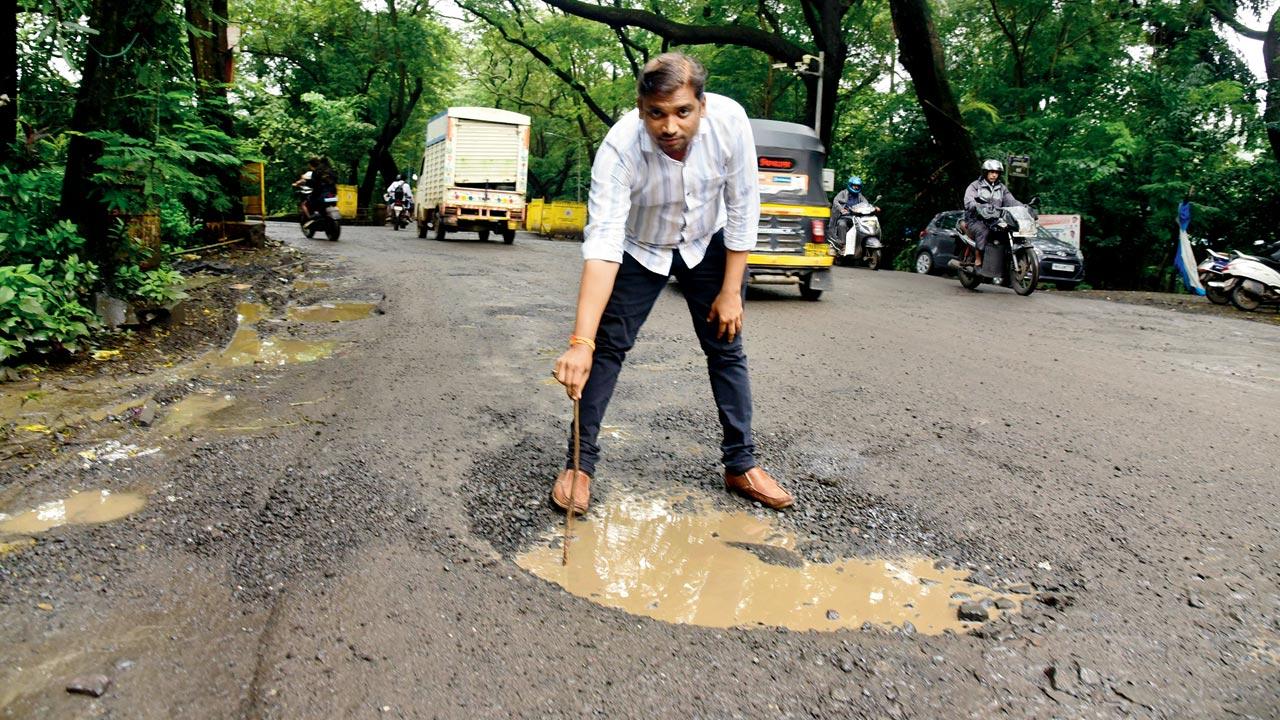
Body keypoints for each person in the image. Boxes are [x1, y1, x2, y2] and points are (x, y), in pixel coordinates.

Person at [550, 52, 794, 514]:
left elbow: (744, 204)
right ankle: (579, 466)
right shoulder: (620, 147)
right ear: (641, 109)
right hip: (641, 247)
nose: (669, 127)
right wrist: (580, 340)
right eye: (656, 114)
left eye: (682, 111)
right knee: (605, 349)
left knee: (727, 346)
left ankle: (741, 464)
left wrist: (729, 291)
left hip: (709, 241)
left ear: (701, 104)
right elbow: (602, 242)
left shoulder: (730, 122)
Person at [963, 159, 1020, 272]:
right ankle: (978, 261)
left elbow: (1011, 201)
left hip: (994, 219)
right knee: (983, 230)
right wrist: (977, 205)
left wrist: (1024, 207)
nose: (994, 175)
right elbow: (968, 201)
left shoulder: (1002, 188)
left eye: (996, 172)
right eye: (991, 172)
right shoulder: (975, 186)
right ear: (985, 172)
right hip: (976, 219)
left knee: (1009, 230)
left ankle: (1004, 263)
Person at [828, 175, 878, 252]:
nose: (856, 187)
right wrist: (841, 209)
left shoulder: (860, 196)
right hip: (845, 216)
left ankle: (861, 244)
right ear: (850, 185)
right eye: (854, 186)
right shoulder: (843, 193)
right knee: (842, 224)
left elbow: (866, 203)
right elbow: (836, 201)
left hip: (857, 217)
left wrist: (873, 207)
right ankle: (842, 245)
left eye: (858, 186)